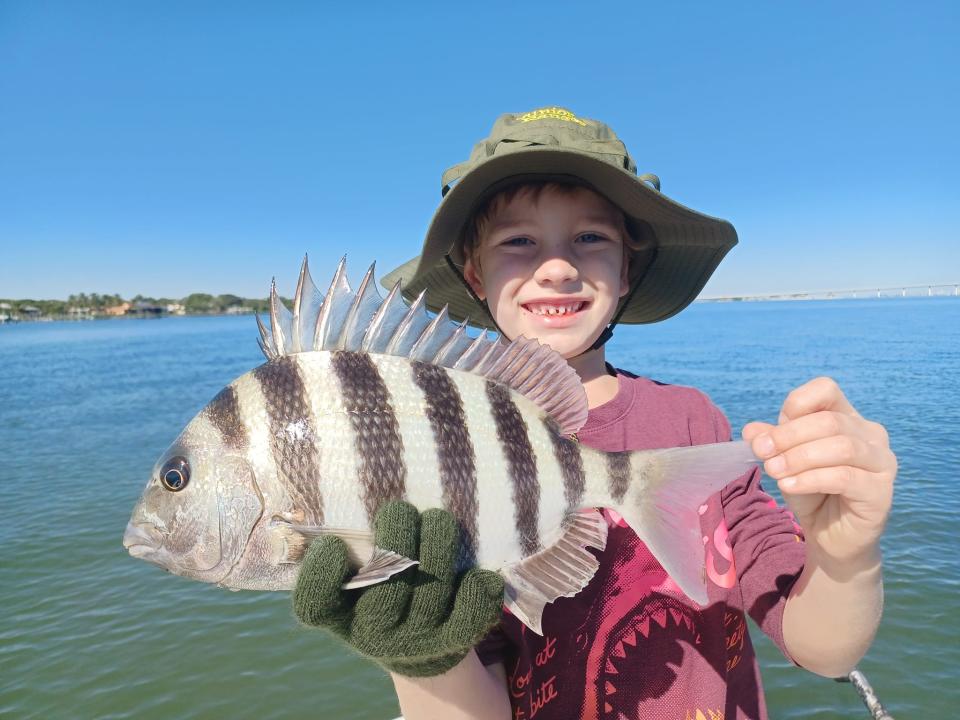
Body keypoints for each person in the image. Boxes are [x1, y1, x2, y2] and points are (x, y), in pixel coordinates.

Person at [292, 107, 896, 719]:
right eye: (518, 242)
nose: (556, 267)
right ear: (475, 276)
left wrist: (845, 554)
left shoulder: (693, 423)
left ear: (626, 269)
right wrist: (420, 655)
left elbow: (824, 650)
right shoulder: (427, 452)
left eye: (590, 238)